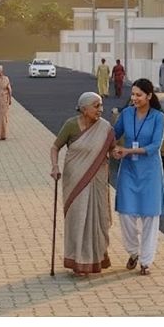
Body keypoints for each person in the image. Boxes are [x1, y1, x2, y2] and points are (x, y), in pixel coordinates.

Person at [50, 92, 117, 277]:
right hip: (75, 179)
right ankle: (78, 260)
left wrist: (118, 152)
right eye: (96, 106)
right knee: (77, 218)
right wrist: (55, 166)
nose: (101, 110)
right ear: (84, 108)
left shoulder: (105, 128)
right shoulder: (71, 125)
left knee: (99, 218)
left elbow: (112, 149)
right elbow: (55, 147)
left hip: (97, 178)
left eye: (101, 105)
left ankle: (96, 258)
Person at [111, 78, 164, 276]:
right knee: (126, 213)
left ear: (149, 96)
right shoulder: (126, 114)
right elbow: (113, 134)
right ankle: (133, 252)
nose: (134, 98)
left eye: (138, 95)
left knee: (150, 216)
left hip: (150, 171)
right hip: (128, 170)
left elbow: (155, 145)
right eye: (133, 94)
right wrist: (113, 148)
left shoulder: (158, 117)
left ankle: (145, 261)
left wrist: (128, 151)